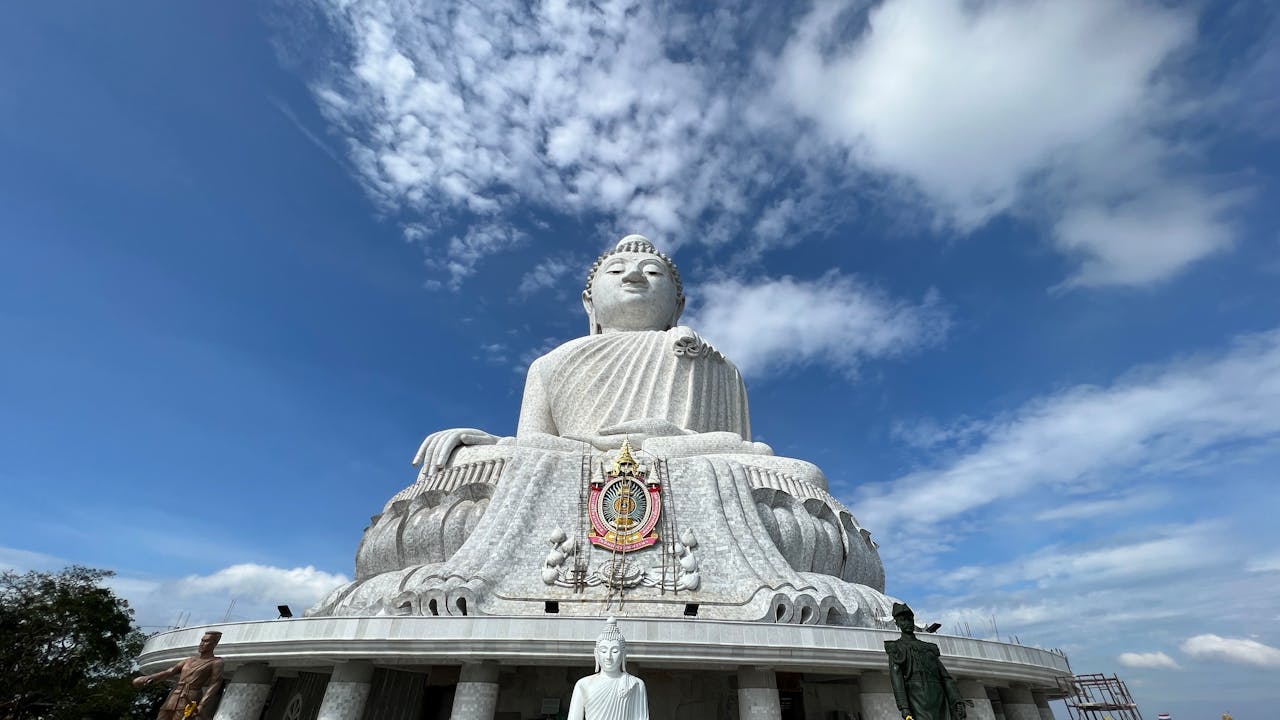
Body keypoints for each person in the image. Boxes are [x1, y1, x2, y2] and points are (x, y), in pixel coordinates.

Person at [885, 604, 964, 720]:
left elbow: (945, 677)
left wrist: (956, 699)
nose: (907, 623)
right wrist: (904, 707)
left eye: (909, 619)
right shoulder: (896, 647)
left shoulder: (928, 647)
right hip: (916, 698)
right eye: (903, 620)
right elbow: (897, 679)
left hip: (939, 697)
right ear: (897, 624)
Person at [566, 616, 649, 720]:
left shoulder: (636, 684)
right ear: (596, 654)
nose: (608, 657)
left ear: (624, 654)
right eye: (604, 651)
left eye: (614, 651)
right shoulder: (583, 684)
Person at [133, 630, 225, 720]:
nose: (201, 644)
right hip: (174, 696)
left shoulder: (216, 662)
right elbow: (170, 672)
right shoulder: (189, 660)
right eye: (202, 640)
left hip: (190, 697)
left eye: (206, 641)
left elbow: (215, 684)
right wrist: (149, 678)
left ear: (214, 644)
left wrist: (202, 704)